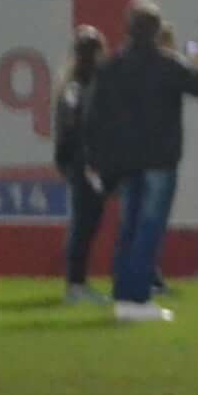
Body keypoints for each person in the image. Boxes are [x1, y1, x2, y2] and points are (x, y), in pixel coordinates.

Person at [85, 0, 198, 324]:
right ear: (157, 30)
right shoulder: (168, 64)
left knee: (129, 229)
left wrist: (96, 159)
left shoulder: (111, 66)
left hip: (124, 161)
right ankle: (138, 299)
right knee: (149, 230)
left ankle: (123, 297)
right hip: (160, 160)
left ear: (128, 28)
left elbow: (94, 117)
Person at [54, 26, 110, 304]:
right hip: (85, 161)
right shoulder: (79, 87)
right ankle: (75, 284)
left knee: (87, 221)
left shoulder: (78, 84)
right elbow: (74, 127)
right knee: (84, 223)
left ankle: (77, 282)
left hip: (82, 160)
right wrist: (84, 160)